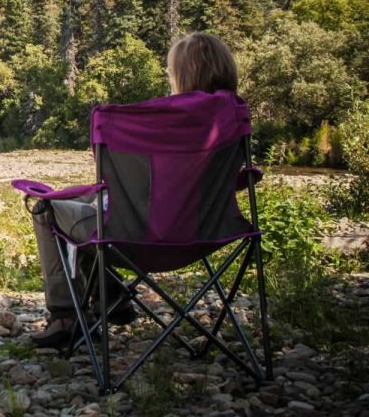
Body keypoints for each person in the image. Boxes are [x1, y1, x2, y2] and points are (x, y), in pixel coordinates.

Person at [29, 32, 239, 347]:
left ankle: (67, 316)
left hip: (134, 238)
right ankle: (112, 298)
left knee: (47, 212)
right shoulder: (232, 117)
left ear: (180, 76)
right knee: (85, 203)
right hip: (207, 232)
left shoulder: (159, 121)